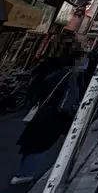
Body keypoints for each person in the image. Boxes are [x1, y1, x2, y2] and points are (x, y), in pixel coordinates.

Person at [11, 53, 87, 185]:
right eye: (84, 61)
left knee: (34, 142)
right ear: (77, 62)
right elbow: (68, 102)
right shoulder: (71, 77)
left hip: (43, 112)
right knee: (42, 143)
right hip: (55, 116)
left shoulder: (56, 74)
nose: (86, 64)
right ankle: (26, 173)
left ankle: (25, 170)